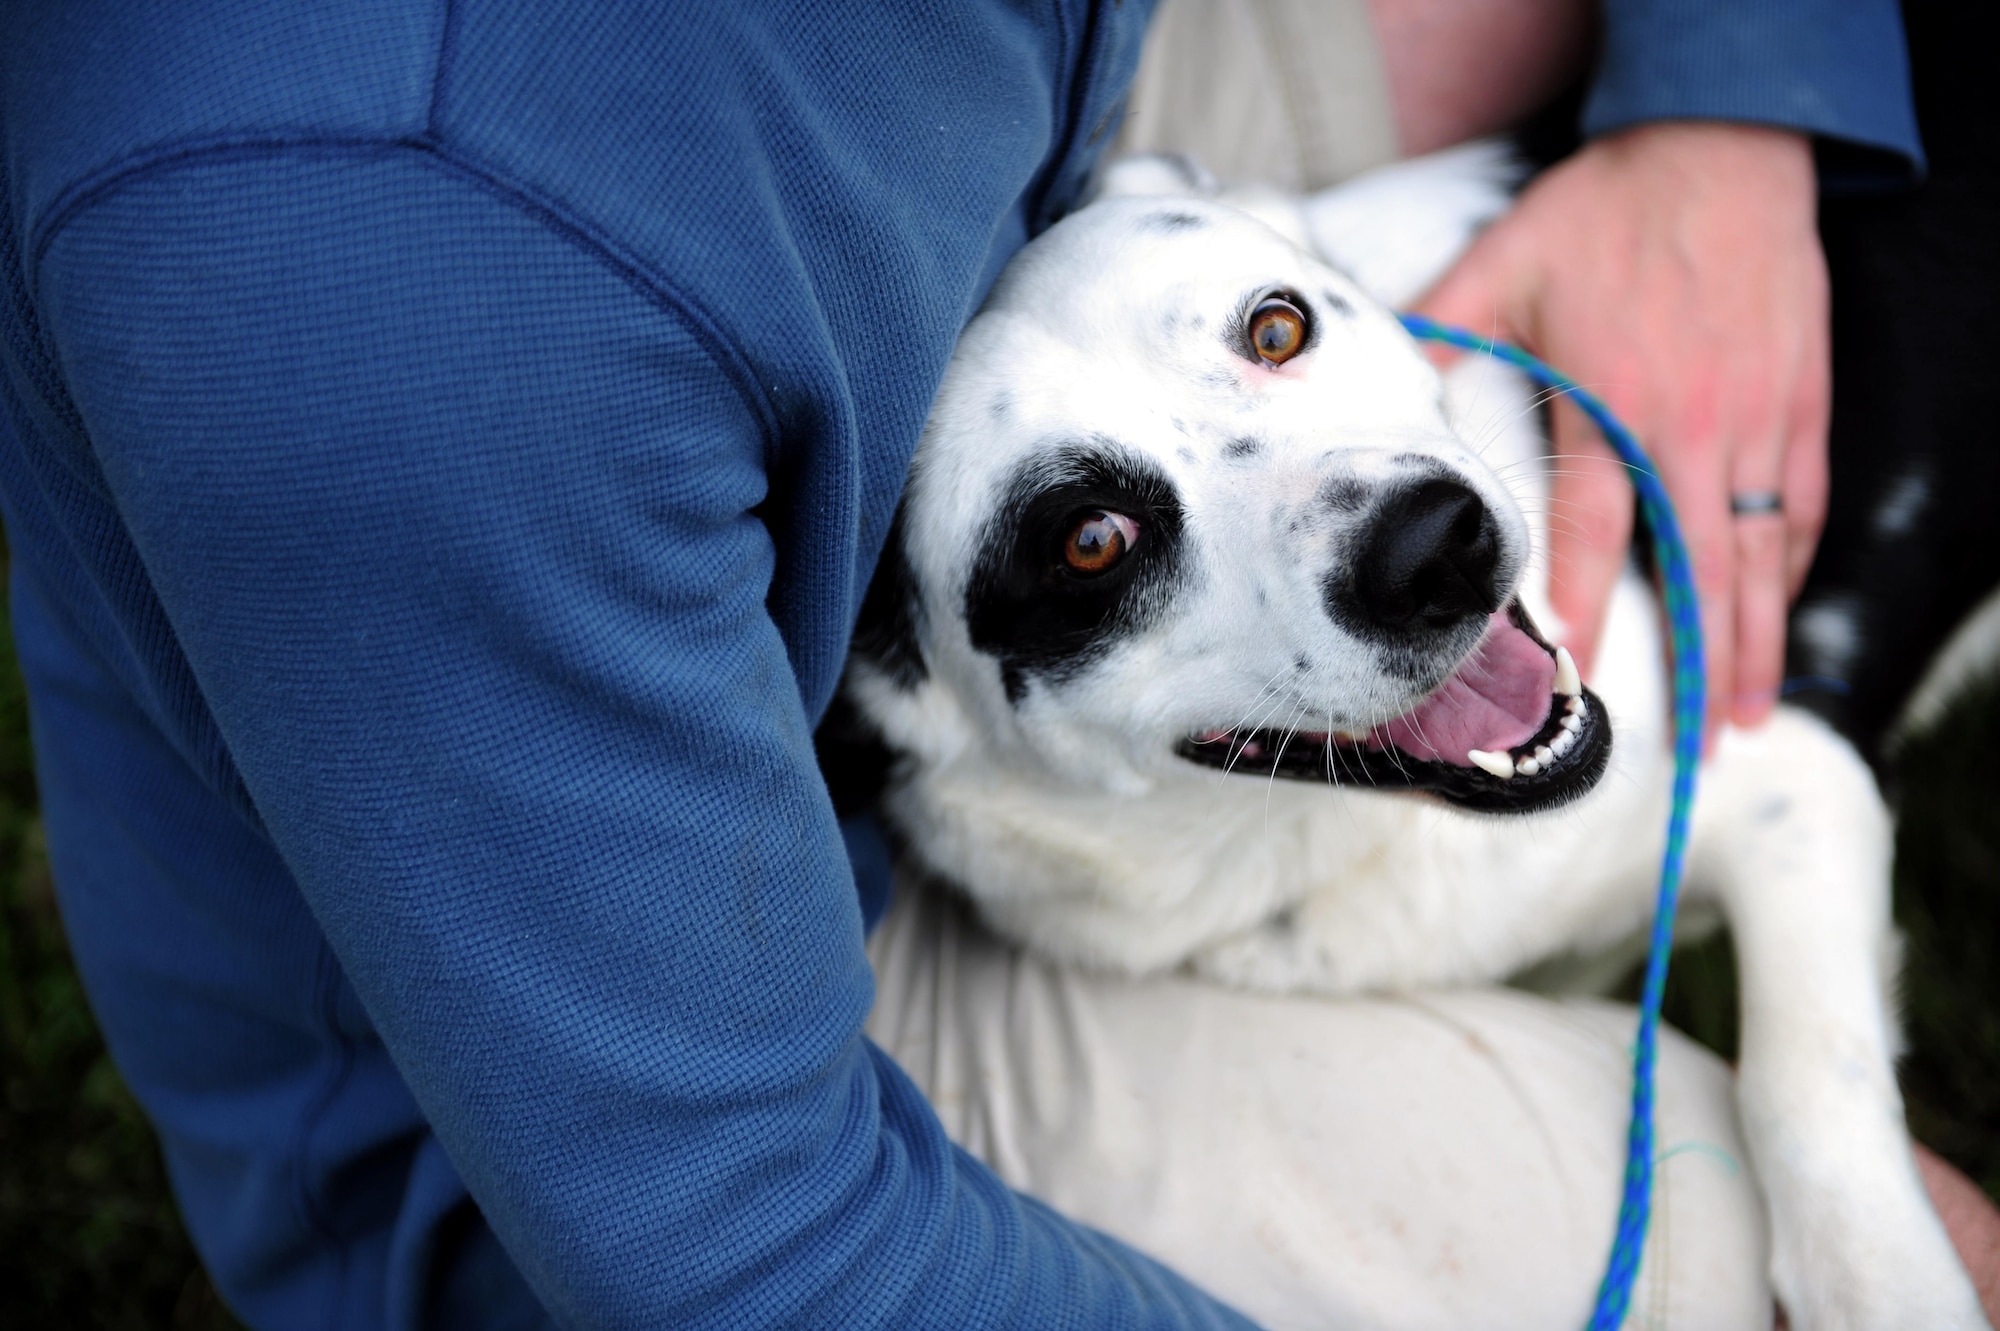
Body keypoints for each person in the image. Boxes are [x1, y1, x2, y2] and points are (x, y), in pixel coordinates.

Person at [0, 2, 1962, 1327]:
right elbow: (741, 1244)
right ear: (906, 710)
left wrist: (1726, 98)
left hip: (1026, 213)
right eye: (1094, 549)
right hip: (707, 1080)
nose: (1419, 527)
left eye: (1280, 332)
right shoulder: (376, 292)